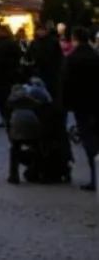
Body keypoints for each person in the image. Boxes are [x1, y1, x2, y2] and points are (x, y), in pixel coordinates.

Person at [60, 26, 99, 191]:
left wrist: (64, 104)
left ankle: (95, 177)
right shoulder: (95, 56)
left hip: (81, 104)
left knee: (88, 140)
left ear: (74, 39)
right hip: (96, 102)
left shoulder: (72, 58)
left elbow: (65, 83)